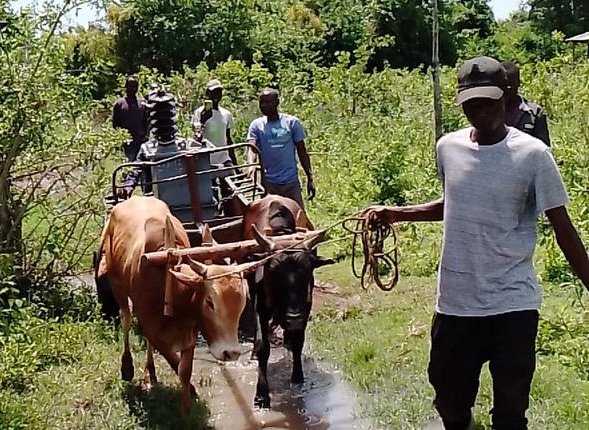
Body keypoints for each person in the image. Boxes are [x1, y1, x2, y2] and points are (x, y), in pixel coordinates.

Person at [364, 56, 589, 430]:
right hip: (457, 303)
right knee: (449, 401)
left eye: (487, 102)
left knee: (510, 415)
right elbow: (455, 203)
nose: (479, 111)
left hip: (512, 305)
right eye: (470, 104)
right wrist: (397, 212)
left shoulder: (534, 155)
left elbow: (563, 228)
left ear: (506, 97)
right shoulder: (447, 148)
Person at [246, 88, 315, 209]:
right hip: (269, 183)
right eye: (261, 102)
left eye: (267, 102)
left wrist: (310, 177)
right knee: (271, 221)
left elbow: (302, 151)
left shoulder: (292, 123)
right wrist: (251, 165)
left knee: (298, 218)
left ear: (277, 102)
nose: (263, 105)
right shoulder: (256, 125)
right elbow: (252, 147)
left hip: (291, 183)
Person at [191, 79, 238, 170]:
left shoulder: (226, 114)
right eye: (213, 92)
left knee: (228, 181)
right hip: (206, 160)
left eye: (219, 92)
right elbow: (196, 138)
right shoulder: (199, 113)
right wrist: (203, 121)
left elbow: (228, 138)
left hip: (223, 158)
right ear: (207, 93)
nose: (216, 95)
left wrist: (235, 164)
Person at [501, 61, 551, 146]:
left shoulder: (534, 113)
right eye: (503, 85)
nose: (507, 90)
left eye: (510, 86)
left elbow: (543, 148)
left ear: (518, 83)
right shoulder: (489, 112)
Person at [112, 76, 148, 161]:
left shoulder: (142, 103)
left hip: (141, 143)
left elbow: (146, 122)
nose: (133, 88)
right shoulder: (119, 104)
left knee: (144, 170)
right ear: (126, 87)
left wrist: (145, 136)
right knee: (129, 169)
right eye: (130, 86)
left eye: (135, 86)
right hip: (127, 145)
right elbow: (115, 124)